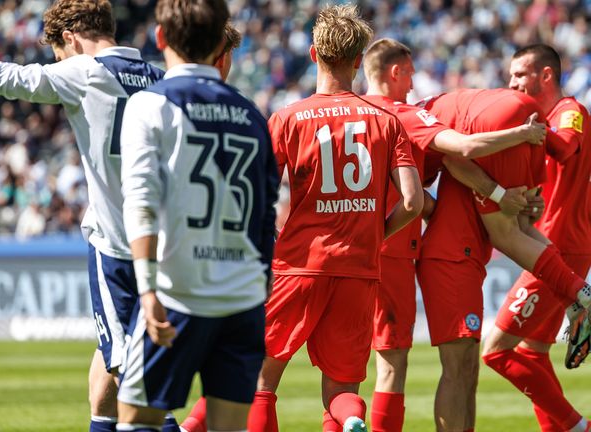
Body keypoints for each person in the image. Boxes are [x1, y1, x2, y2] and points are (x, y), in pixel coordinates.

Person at [0, 2, 170, 431]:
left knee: (140, 385)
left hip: (119, 250)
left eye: (57, 53)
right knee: (107, 373)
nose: (58, 62)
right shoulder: (160, 78)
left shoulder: (85, 71)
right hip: (163, 247)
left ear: (70, 38)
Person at [247, 6, 423, 432]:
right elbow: (414, 201)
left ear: (313, 54)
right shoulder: (387, 122)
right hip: (359, 267)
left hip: (299, 264)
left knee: (260, 381)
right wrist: (377, 232)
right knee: (342, 389)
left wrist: (273, 232)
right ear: (359, 60)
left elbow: (254, 191)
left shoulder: (288, 118)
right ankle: (351, 420)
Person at [359, 37, 547, 432]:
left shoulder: (347, 113)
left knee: (332, 370)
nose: (413, 84)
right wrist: (523, 135)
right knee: (393, 366)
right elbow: (461, 148)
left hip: (347, 250)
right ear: (395, 72)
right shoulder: (400, 114)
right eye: (410, 74)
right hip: (392, 251)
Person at [117, 0, 279, 429]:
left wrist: (146, 288)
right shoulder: (252, 114)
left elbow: (141, 201)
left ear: (160, 37)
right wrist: (260, 283)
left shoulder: (149, 104)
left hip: (178, 293)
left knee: (136, 418)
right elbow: (266, 211)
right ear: (220, 46)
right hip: (242, 297)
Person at [478, 44, 591, 432]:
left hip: (559, 248)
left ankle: (580, 426)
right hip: (554, 243)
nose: (512, 83)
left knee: (495, 352)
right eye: (510, 76)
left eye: (519, 75)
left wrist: (529, 128)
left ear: (546, 76)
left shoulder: (570, 112)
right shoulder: (540, 122)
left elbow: (565, 148)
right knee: (533, 353)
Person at [178, 21, 243, 432]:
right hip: (225, 260)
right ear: (222, 57)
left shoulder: (161, 100)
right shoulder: (241, 111)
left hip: (177, 258)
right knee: (240, 376)